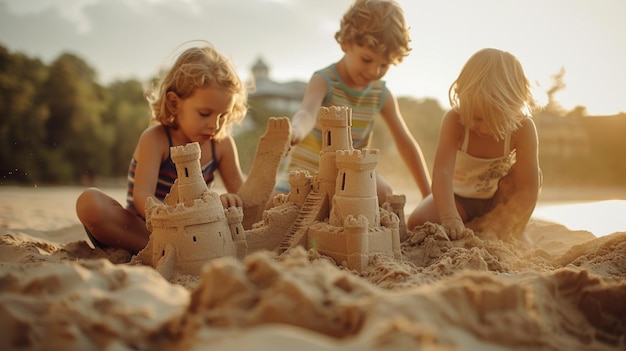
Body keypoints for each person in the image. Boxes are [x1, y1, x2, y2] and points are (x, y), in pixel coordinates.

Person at [76, 42, 247, 253]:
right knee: (90, 203)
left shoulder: (221, 145)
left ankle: (176, 249)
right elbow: (142, 195)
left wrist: (228, 203)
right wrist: (173, 219)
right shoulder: (156, 139)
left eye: (223, 116)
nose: (215, 124)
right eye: (205, 114)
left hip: (197, 231)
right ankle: (164, 248)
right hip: (145, 229)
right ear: (175, 103)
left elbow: (244, 194)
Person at [272, 0, 431, 205]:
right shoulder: (324, 80)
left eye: (384, 64)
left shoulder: (381, 94)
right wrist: (295, 131)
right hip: (305, 175)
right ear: (346, 42)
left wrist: (428, 194)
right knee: (276, 208)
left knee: (384, 193)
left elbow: (405, 143)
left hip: (350, 179)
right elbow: (307, 113)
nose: (374, 71)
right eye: (366, 59)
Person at [407, 48, 541, 242]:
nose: (481, 127)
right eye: (476, 117)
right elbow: (442, 172)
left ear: (513, 108)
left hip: (498, 201)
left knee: (533, 176)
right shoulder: (455, 120)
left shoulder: (524, 128)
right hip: (460, 198)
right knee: (417, 221)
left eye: (493, 120)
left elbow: (528, 188)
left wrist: (500, 223)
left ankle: (514, 230)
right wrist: (450, 217)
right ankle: (472, 224)